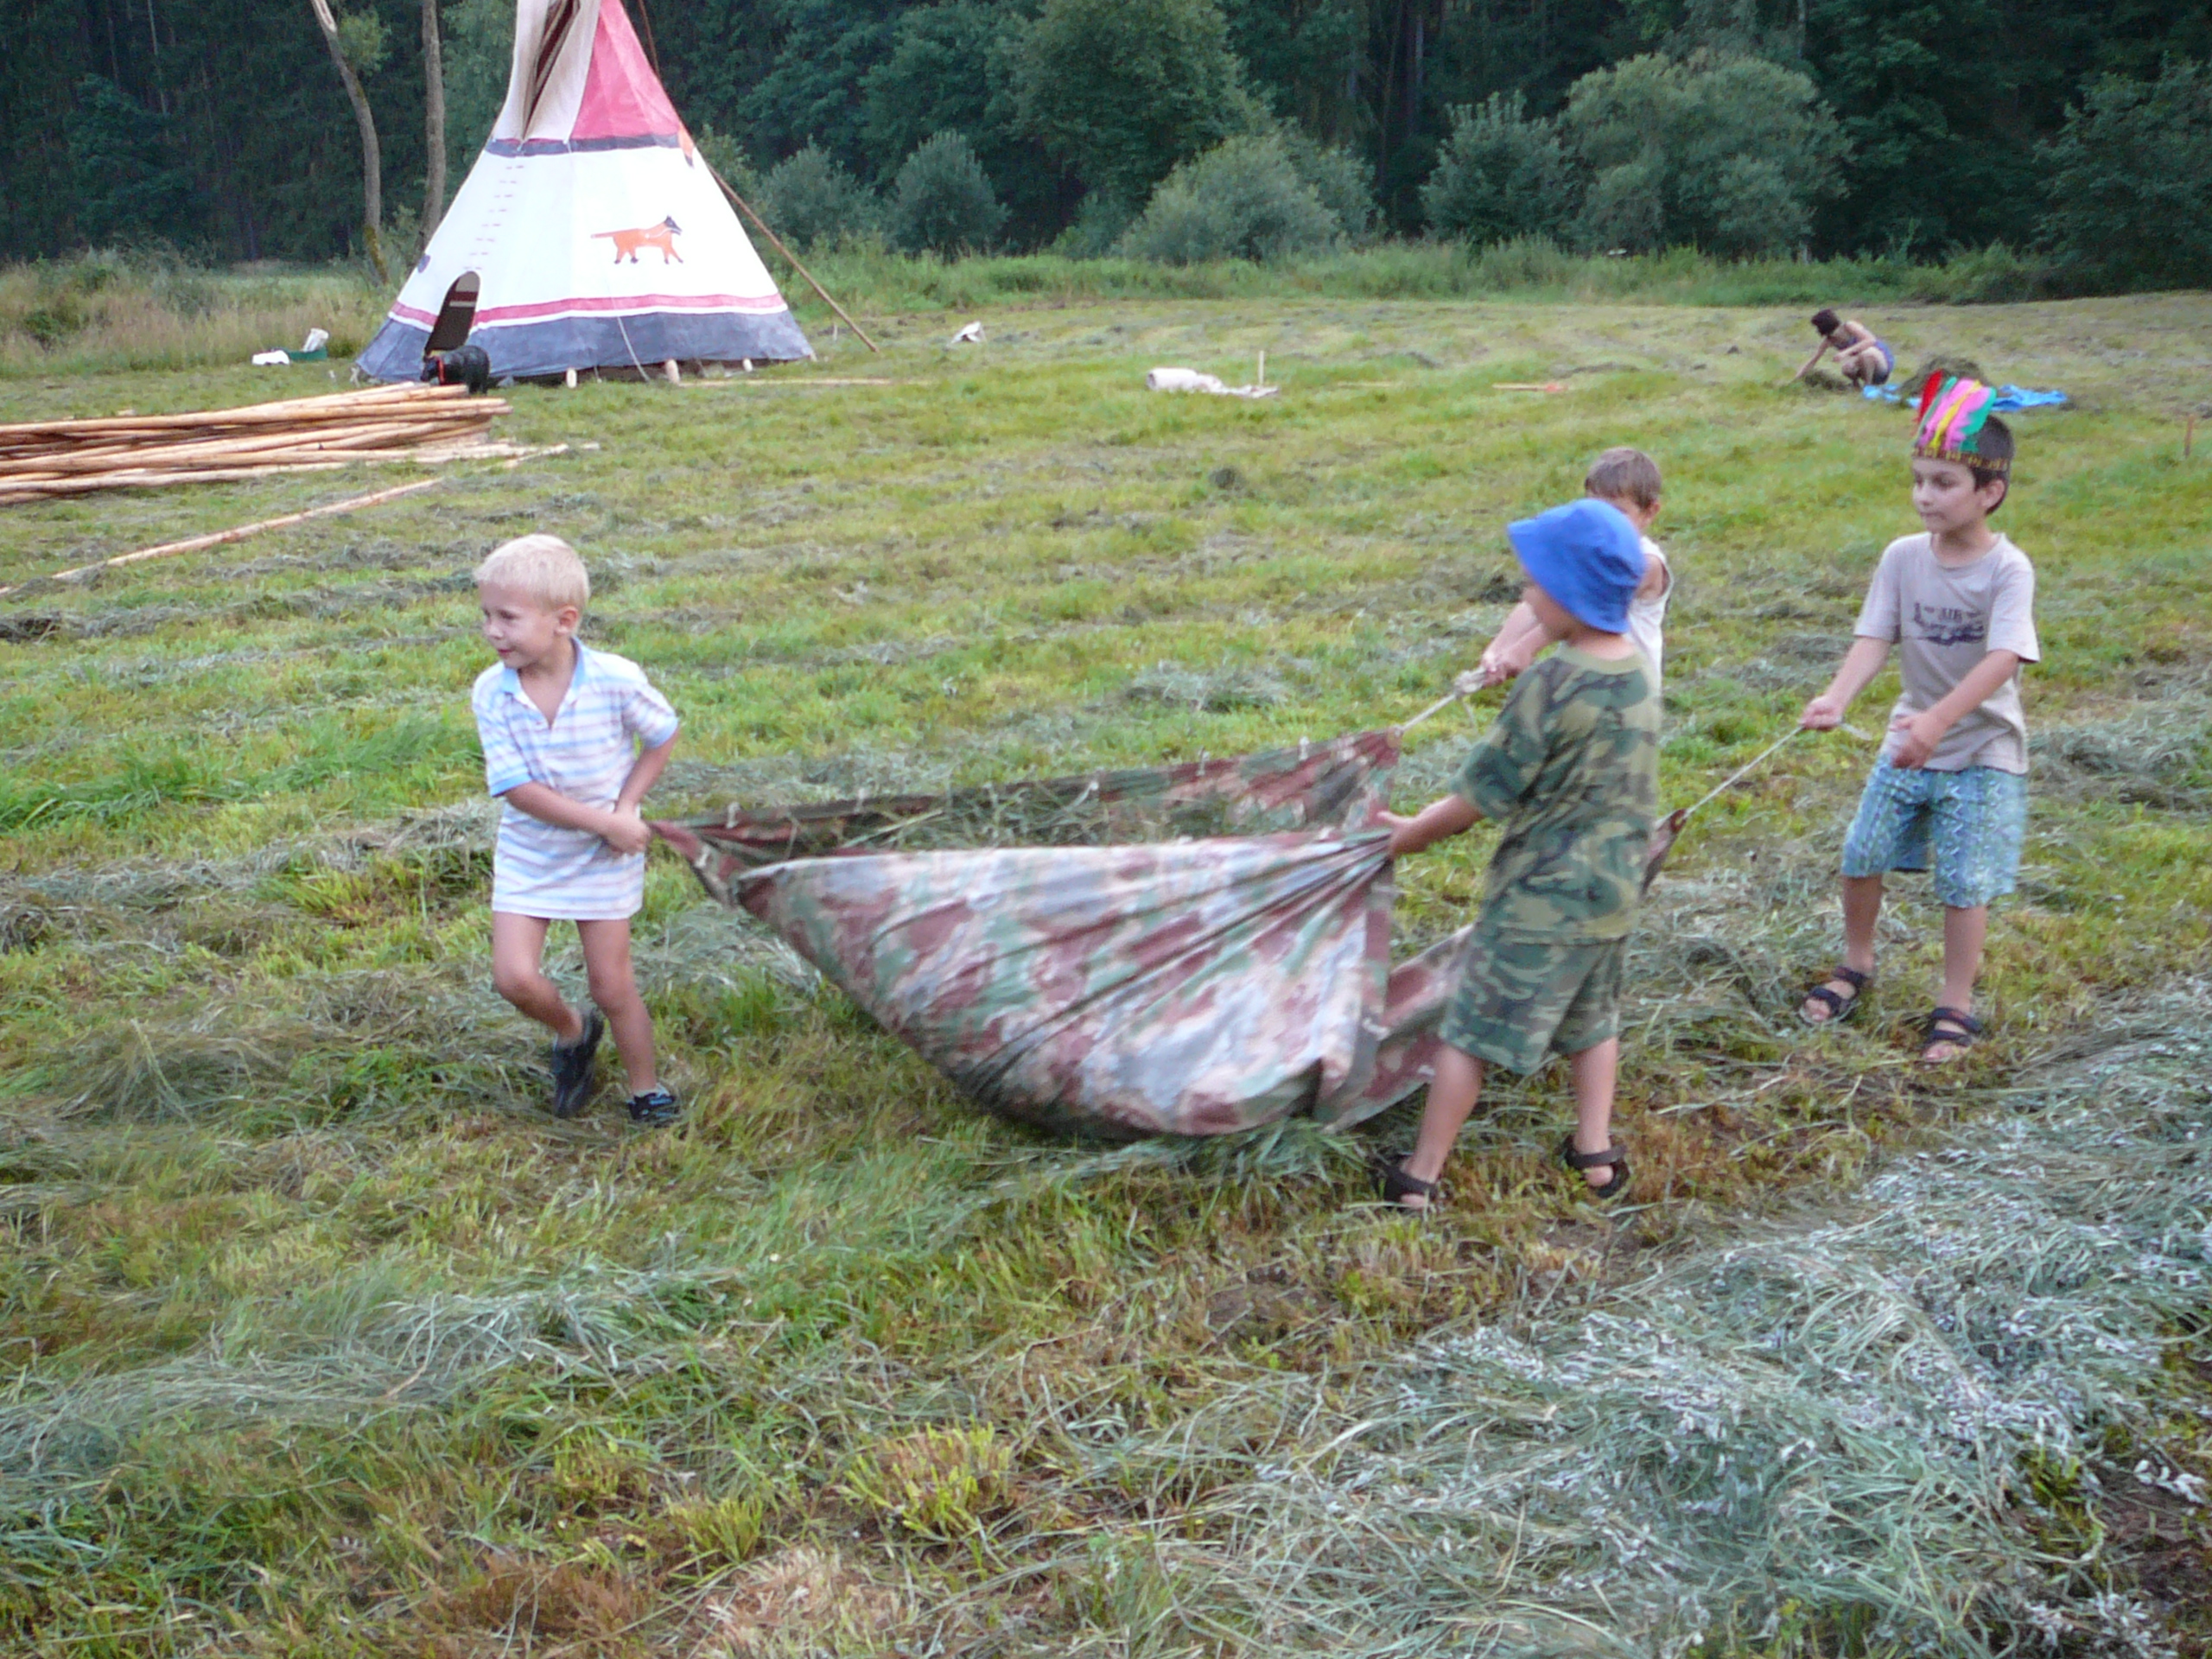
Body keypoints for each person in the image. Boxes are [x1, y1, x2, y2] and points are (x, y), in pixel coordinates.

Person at [1376, 499, 1661, 1210]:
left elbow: (1480, 797)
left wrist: (1406, 835)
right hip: (1614, 892)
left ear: (1570, 593)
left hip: (1540, 897)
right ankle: (1595, 1153)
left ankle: (1420, 1175)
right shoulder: (1637, 672)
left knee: (1469, 1033)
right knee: (1594, 1020)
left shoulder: (1550, 685)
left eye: (1535, 584)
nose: (1526, 597)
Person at [1796, 375, 2037, 1065]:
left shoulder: (2007, 570)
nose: (1924, 496)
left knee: (1964, 883)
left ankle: (1955, 1003)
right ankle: (1857, 962)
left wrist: (1939, 720)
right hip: (1907, 741)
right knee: (1862, 852)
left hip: (1983, 750)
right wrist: (1838, 697)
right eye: (1918, 481)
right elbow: (1876, 636)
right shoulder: (1902, 557)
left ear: (1990, 491)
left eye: (1943, 483)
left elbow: (2004, 658)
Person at [472, 534, 684, 1123]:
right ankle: (572, 1031)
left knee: (612, 986)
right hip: (531, 852)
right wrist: (606, 822)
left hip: (602, 859)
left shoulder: (615, 679)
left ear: (564, 621)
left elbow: (662, 734)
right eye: (486, 615)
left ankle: (646, 1090)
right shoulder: (492, 692)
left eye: (507, 618)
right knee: (513, 977)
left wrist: (628, 806)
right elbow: (517, 789)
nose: (491, 631)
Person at [1477, 447, 1672, 698]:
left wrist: (1525, 648)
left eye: (1617, 512)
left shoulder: (1645, 564)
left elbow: (1581, 611)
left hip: (1626, 695)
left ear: (1650, 512)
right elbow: (1543, 599)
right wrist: (1497, 649)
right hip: (1579, 682)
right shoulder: (1585, 552)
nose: (1603, 521)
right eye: (1595, 509)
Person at [1793, 308, 1895, 390]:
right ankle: (1856, 386)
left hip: (1881, 363)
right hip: (1864, 367)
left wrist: (1846, 352)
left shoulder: (1850, 326)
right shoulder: (1829, 341)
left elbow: (1871, 340)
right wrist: (1796, 380)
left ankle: (1868, 387)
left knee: (1866, 354)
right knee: (1847, 368)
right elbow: (1813, 360)